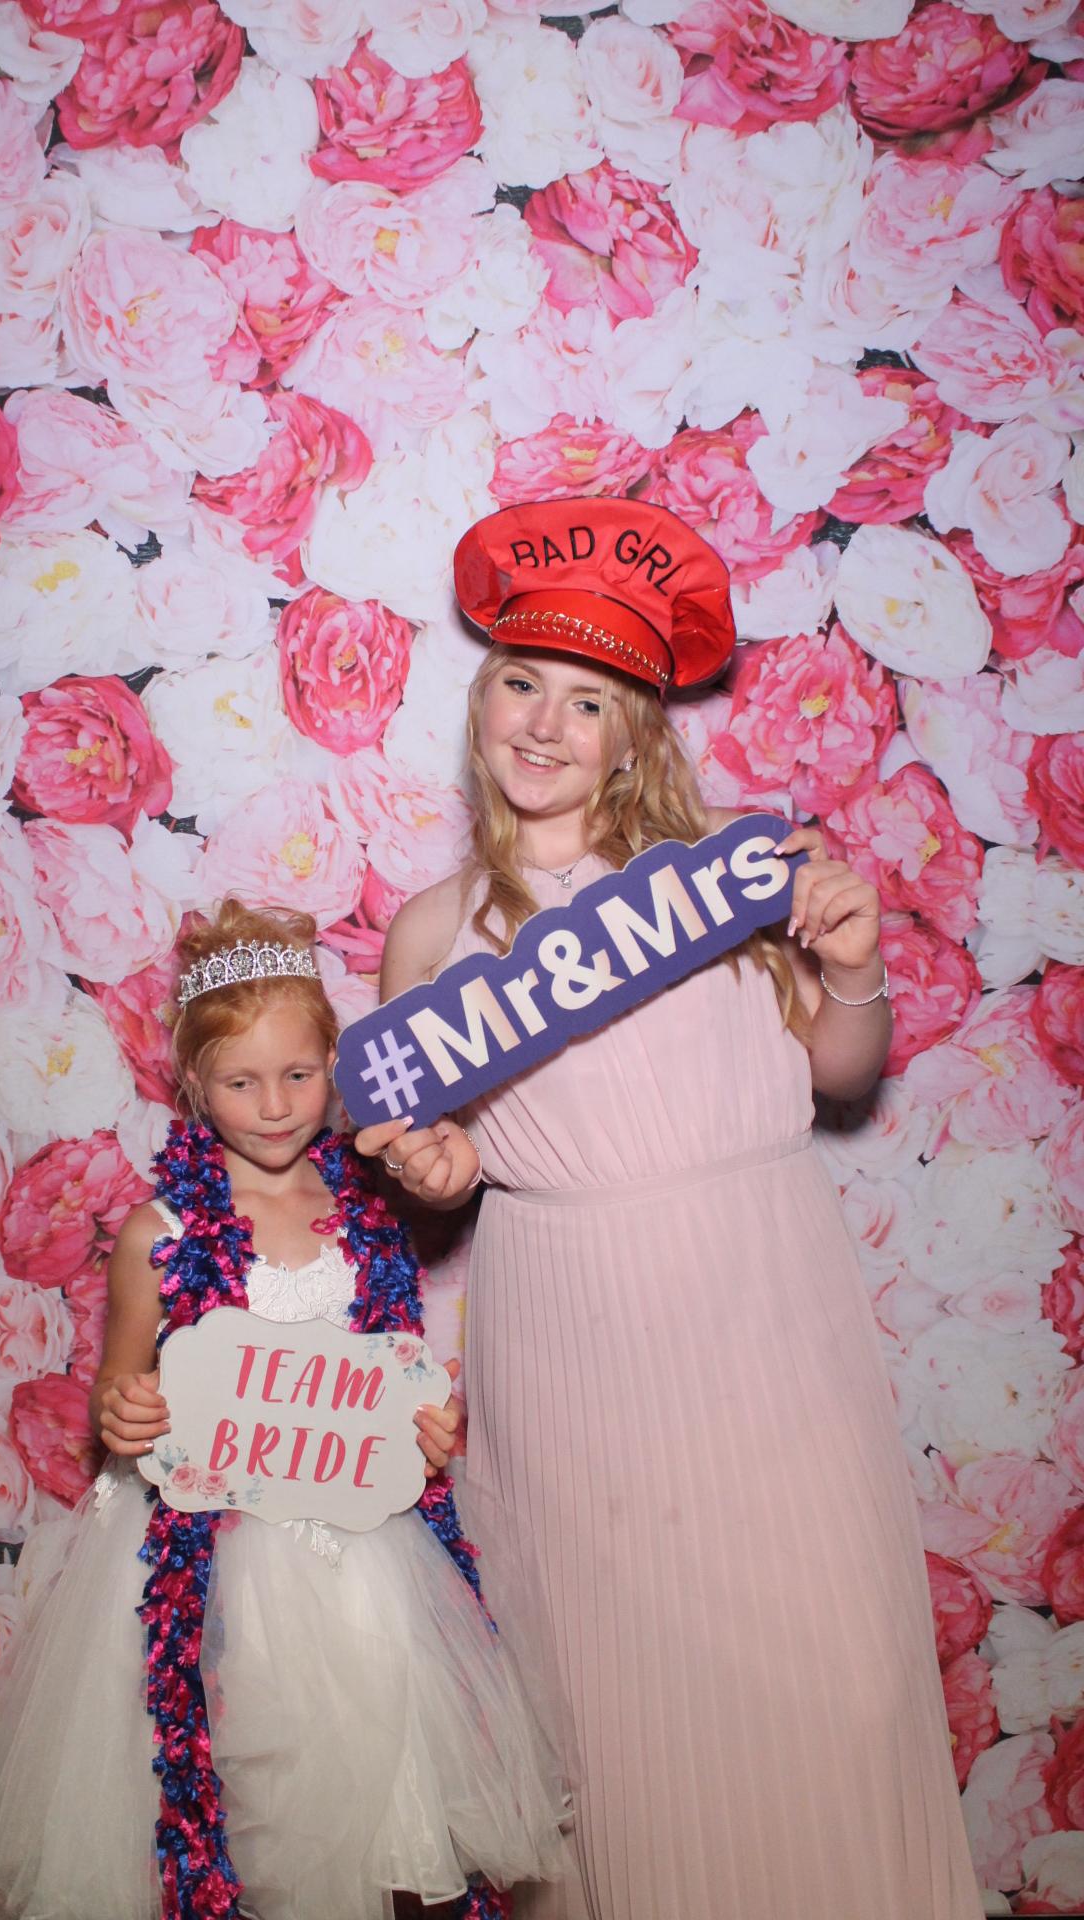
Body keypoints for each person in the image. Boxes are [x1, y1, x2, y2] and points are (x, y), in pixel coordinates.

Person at [355, 498, 984, 1920]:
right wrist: (431, 1171)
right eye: (522, 683)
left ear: (635, 736)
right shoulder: (428, 934)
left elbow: (838, 1070)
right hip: (568, 1338)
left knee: (835, 1684)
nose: (544, 725)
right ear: (480, 700)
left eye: (588, 702)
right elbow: (430, 1157)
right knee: (617, 1716)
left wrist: (860, 961)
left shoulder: (734, 884)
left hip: (766, 1312)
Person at [0, 898, 567, 1920]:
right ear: (194, 1085)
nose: (277, 1104)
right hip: (214, 1559)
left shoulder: (368, 1211)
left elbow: (393, 1376)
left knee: (376, 1798)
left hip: (360, 1554)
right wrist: (125, 1414)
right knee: (241, 1803)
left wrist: (424, 1433)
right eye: (243, 1083)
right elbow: (124, 1388)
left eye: (298, 1074)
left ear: (333, 1064)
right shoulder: (157, 1233)